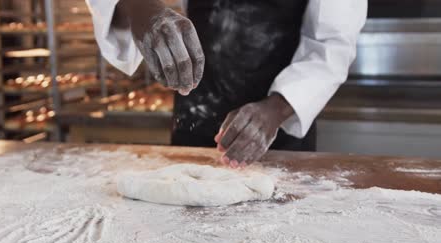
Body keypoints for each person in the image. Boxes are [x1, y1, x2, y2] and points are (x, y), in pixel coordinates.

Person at [86, 0, 367, 168]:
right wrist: (140, 8)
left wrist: (276, 110)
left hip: (280, 135)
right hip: (192, 124)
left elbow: (332, 44)